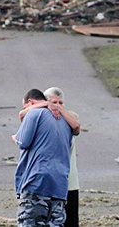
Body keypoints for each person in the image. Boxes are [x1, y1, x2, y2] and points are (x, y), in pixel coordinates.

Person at [19, 87, 81, 227]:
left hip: (65, 181)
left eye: (61, 103)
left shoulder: (67, 119)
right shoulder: (44, 119)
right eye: (54, 102)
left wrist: (52, 106)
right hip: (56, 181)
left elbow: (76, 126)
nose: (57, 106)